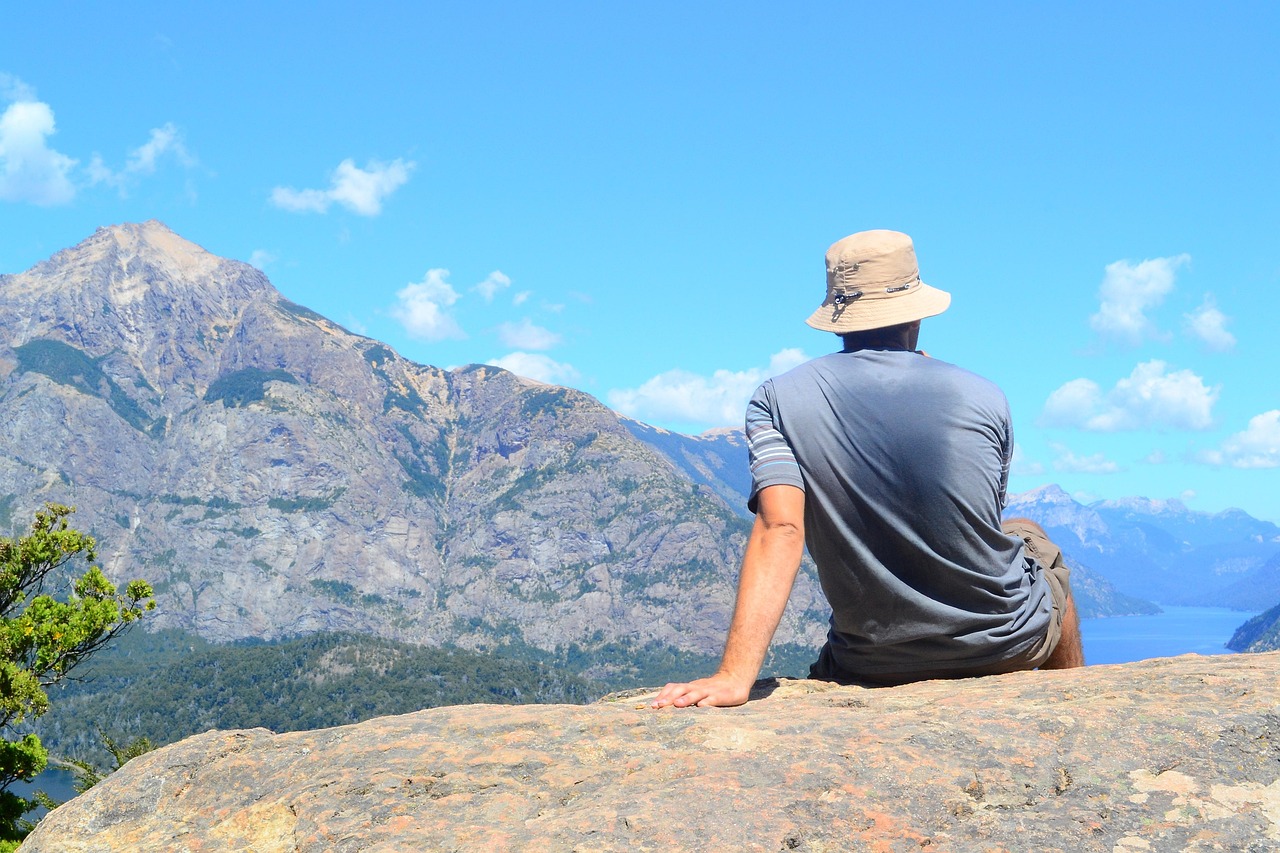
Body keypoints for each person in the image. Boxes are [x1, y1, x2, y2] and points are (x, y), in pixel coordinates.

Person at [652, 229, 1083, 709]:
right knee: (1033, 539)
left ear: (838, 319)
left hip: (872, 661)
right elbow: (977, 522)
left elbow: (781, 527)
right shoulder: (983, 395)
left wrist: (735, 676)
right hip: (1005, 645)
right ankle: (1074, 705)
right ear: (917, 312)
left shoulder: (777, 400)